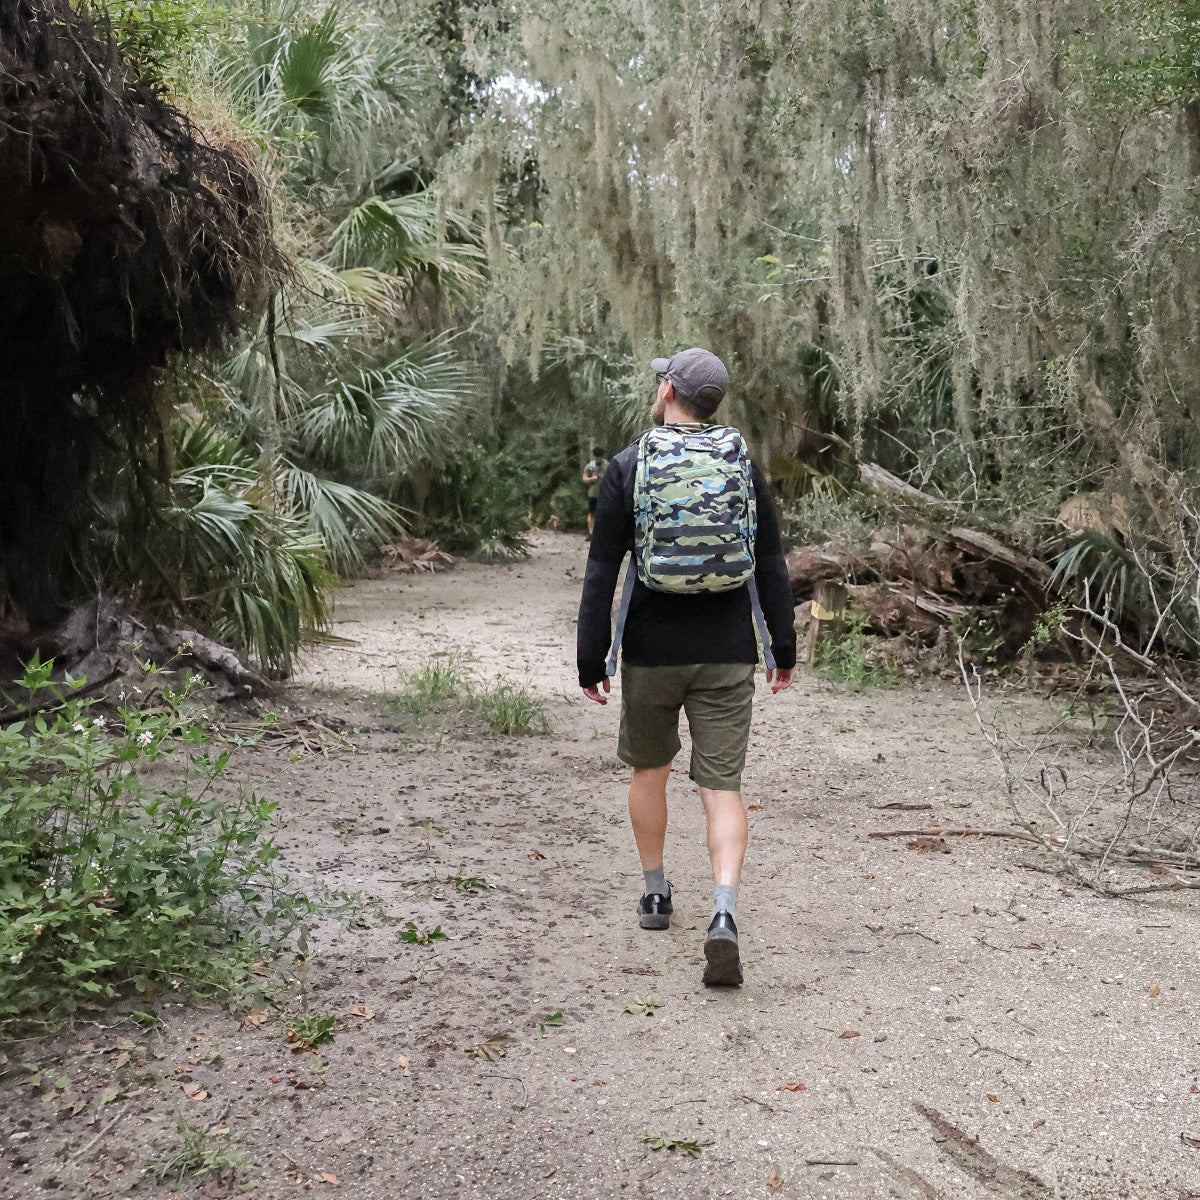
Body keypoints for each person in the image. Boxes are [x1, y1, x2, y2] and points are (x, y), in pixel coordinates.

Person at [576, 347, 796, 987]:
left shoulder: (628, 464)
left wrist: (592, 658)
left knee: (651, 769)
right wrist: (782, 648)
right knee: (721, 785)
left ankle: (654, 893)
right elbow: (773, 562)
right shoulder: (740, 461)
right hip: (728, 647)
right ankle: (723, 910)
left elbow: (602, 571)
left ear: (669, 389)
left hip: (651, 646)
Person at [581, 446, 608, 539]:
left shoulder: (607, 465)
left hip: (604, 493)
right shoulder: (589, 466)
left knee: (603, 513)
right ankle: (590, 532)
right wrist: (592, 478)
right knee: (591, 513)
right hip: (593, 493)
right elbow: (584, 478)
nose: (598, 459)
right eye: (596, 457)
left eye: (599, 457)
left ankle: (602, 532)